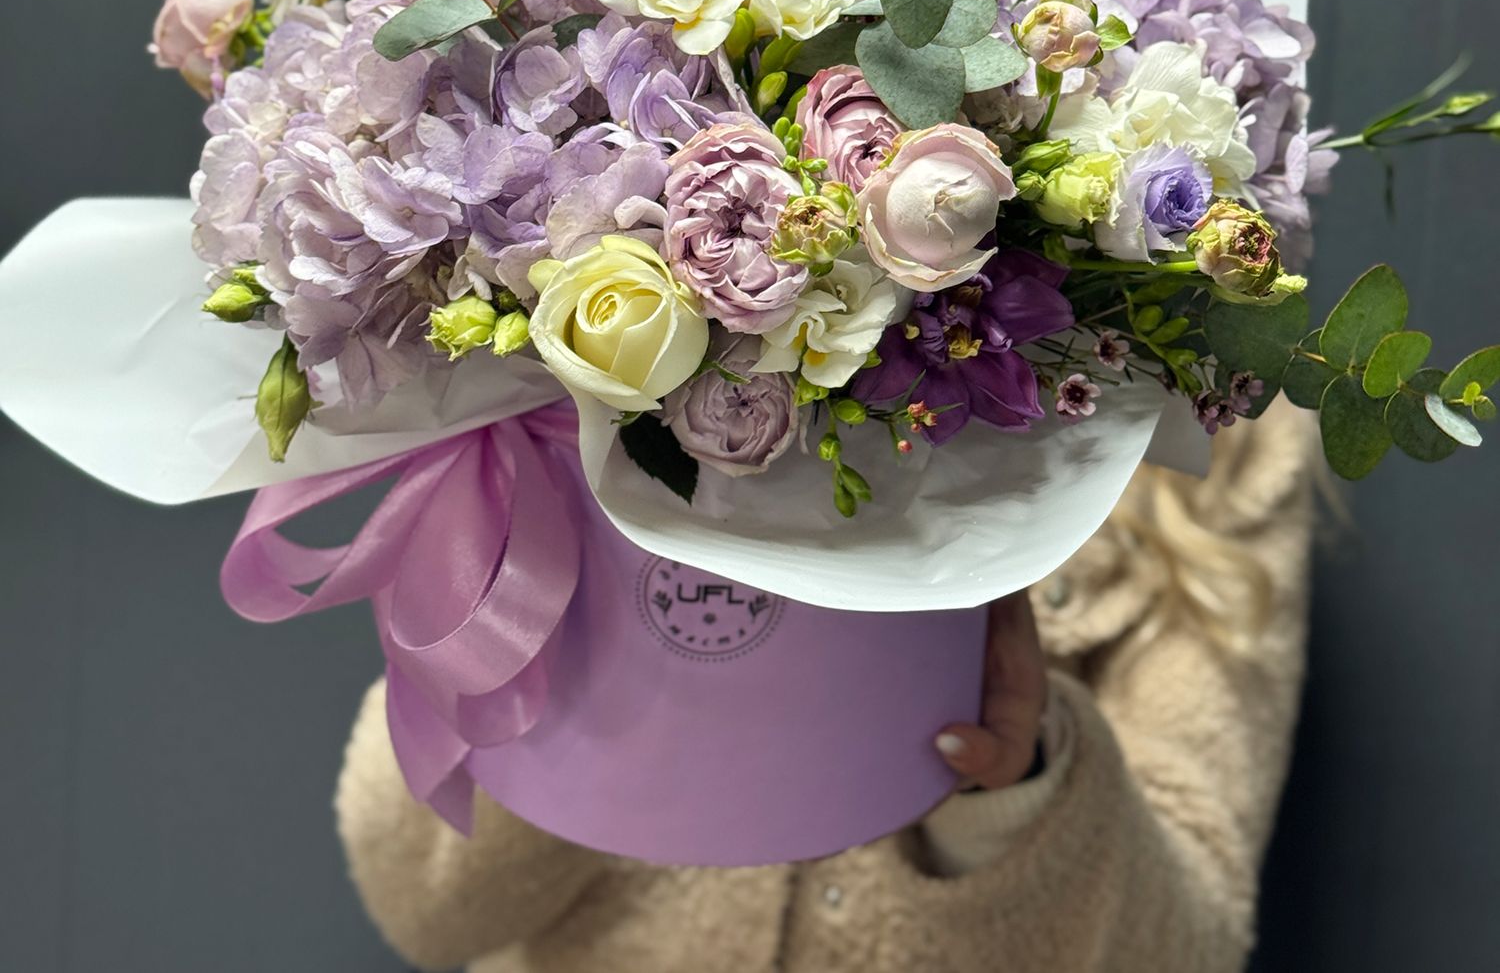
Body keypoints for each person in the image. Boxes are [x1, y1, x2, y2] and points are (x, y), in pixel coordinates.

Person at [336, 395, 1321, 972]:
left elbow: (1192, 944)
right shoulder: (563, 351)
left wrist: (1020, 792)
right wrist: (563, 643)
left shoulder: (1217, 426)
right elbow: (422, 904)